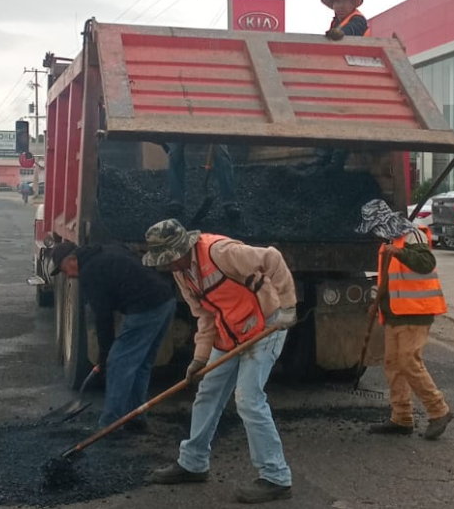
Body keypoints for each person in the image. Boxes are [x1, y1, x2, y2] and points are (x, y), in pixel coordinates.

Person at [141, 218, 297, 504]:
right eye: (165, 261)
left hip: (265, 325)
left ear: (183, 246)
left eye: (171, 258)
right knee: (207, 393)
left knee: (248, 399)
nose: (169, 265)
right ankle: (193, 462)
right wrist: (199, 359)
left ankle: (276, 477)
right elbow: (204, 315)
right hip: (230, 333)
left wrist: (288, 306)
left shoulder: (221, 252)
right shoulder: (182, 271)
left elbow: (273, 259)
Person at [49, 241, 177, 431]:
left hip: (147, 308)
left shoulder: (89, 272)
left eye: (64, 269)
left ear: (73, 259)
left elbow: (103, 318)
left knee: (119, 363)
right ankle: (135, 416)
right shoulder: (103, 250)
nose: (66, 275)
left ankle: (111, 423)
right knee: (141, 363)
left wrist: (104, 358)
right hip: (166, 300)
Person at [356, 199, 454, 440]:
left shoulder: (412, 234)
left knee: (408, 362)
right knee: (393, 365)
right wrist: (376, 304)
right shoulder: (389, 240)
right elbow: (390, 279)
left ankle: (439, 410)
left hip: (416, 311)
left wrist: (399, 252)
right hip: (394, 313)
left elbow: (426, 263)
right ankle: (401, 418)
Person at [313, 0, 371, 174]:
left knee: (342, 118)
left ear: (352, 3)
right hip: (340, 76)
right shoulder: (335, 24)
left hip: (355, 77)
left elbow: (351, 32)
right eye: (337, 1)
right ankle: (323, 158)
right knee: (329, 115)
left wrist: (339, 35)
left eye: (344, 1)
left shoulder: (357, 20)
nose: (340, 5)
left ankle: (335, 161)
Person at [165, 143, 241, 221]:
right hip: (186, 130)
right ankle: (176, 200)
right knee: (175, 152)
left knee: (221, 152)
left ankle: (229, 202)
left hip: (213, 131)